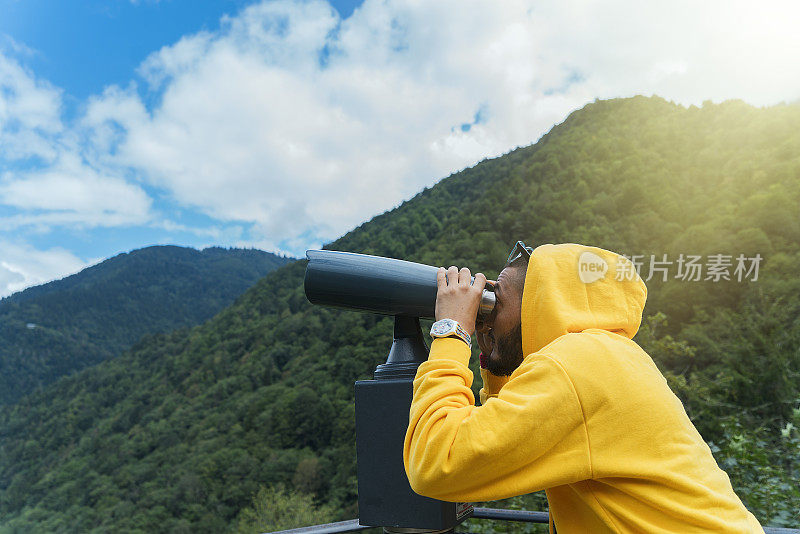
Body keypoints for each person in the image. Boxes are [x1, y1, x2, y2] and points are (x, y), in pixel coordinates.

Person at [403, 242, 764, 533]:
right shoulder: (605, 357)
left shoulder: (576, 364)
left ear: (541, 304)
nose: (487, 314)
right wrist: (492, 353)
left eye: (498, 300)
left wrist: (451, 329)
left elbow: (438, 462)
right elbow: (502, 437)